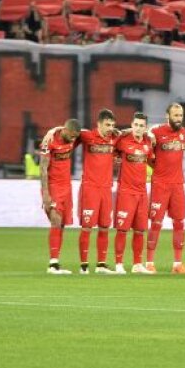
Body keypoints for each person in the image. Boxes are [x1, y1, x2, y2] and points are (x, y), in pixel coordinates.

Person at [149, 103, 185, 274]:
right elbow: (147, 153)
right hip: (160, 184)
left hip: (177, 185)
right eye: (175, 115)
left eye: (180, 115)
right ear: (167, 115)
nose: (178, 119)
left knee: (179, 223)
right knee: (156, 223)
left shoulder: (183, 133)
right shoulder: (156, 132)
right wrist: (157, 169)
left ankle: (177, 264)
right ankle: (149, 262)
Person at [77, 110, 120, 274]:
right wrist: (53, 131)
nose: (110, 128)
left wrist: (121, 132)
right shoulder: (87, 136)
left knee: (104, 226)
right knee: (87, 226)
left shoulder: (114, 139)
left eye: (112, 125)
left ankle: (101, 264)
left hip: (106, 189)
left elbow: (128, 134)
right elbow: (70, 129)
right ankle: (84, 265)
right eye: (107, 125)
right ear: (99, 124)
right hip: (90, 188)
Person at [113, 113, 155, 275]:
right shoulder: (123, 140)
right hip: (126, 191)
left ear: (145, 128)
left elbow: (151, 160)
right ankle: (118, 264)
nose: (138, 128)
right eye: (135, 125)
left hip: (142, 192)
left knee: (140, 230)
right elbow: (110, 149)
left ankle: (137, 264)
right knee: (122, 229)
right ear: (132, 125)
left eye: (141, 126)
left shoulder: (147, 143)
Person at [39, 118, 81, 274]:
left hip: (66, 187)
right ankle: (52, 264)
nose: (73, 139)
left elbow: (88, 134)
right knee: (55, 220)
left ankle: (55, 261)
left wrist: (54, 127)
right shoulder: (49, 141)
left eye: (75, 137)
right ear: (65, 130)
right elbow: (42, 169)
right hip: (53, 186)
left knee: (61, 223)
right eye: (71, 136)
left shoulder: (73, 137)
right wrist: (45, 194)